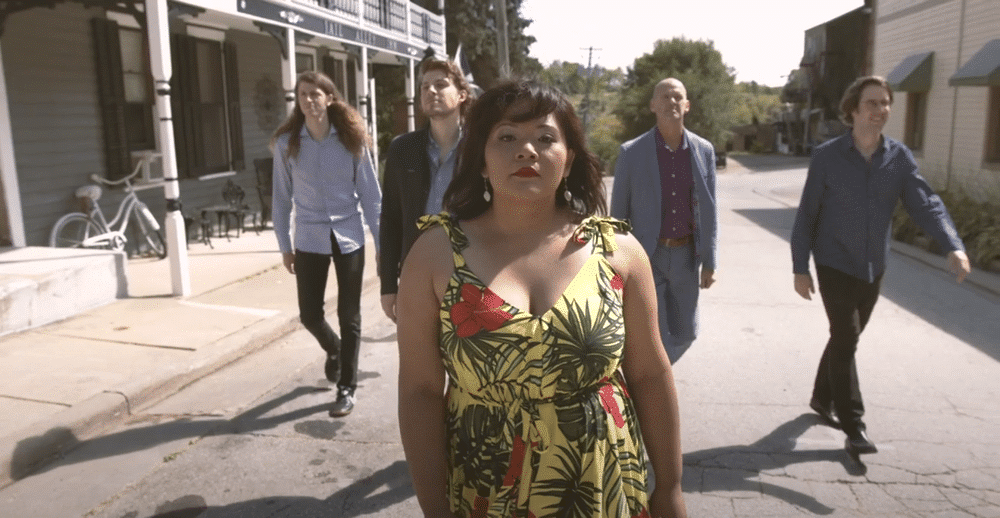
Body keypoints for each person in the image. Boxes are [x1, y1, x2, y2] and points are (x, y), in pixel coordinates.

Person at [396, 80, 688, 518]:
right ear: (479, 160)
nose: (527, 150)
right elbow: (420, 391)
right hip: (485, 492)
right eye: (507, 137)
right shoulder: (434, 254)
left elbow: (649, 373)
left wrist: (669, 489)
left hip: (602, 486)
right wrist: (434, 507)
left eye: (546, 138)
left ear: (568, 159)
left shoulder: (620, 252)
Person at [791, 75, 971, 456]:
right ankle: (854, 425)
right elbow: (807, 214)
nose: (881, 110)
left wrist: (952, 245)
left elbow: (926, 204)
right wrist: (800, 266)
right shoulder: (828, 157)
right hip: (834, 261)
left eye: (886, 103)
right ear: (853, 110)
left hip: (874, 266)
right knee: (846, 337)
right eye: (872, 103)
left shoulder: (898, 158)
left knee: (845, 339)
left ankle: (822, 398)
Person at [270, 71, 381, 418]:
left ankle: (346, 388)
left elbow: (371, 197)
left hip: (349, 235)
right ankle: (334, 350)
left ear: (330, 98)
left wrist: (382, 246)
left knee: (350, 316)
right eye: (303, 95)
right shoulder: (288, 143)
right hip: (309, 238)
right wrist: (284, 245)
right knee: (310, 315)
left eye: (315, 94)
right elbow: (281, 199)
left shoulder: (351, 140)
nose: (309, 100)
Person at [611, 77, 718, 365]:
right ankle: (654, 388)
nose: (672, 101)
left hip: (686, 256)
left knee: (687, 333)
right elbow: (617, 214)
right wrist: (616, 263)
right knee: (652, 332)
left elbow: (709, 210)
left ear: (687, 106)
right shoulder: (631, 153)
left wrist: (710, 261)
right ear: (653, 106)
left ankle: (654, 375)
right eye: (665, 96)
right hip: (647, 255)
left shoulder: (703, 151)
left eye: (677, 97)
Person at [378, 58, 473, 322]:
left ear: (462, 94)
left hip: (472, 274)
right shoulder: (402, 149)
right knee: (420, 359)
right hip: (417, 272)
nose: (431, 91)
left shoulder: (481, 150)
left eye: (441, 85)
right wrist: (388, 285)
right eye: (424, 87)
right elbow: (390, 219)